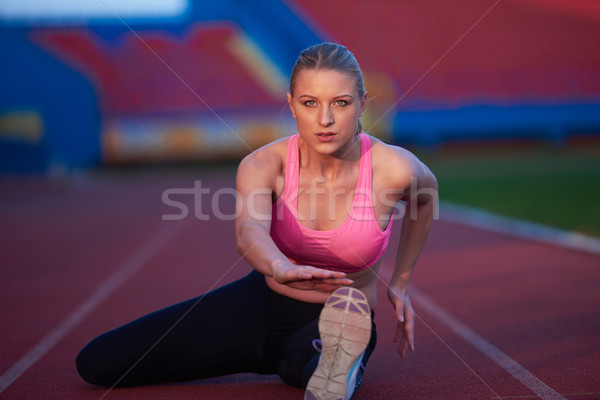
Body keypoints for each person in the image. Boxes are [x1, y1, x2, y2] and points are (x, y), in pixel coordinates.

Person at [76, 42, 437, 400]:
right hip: (260, 304)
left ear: (362, 103)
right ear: (292, 105)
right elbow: (249, 232)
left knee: (318, 363)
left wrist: (400, 281)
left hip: (340, 318)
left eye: (340, 103)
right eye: (310, 103)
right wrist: (278, 265)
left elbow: (425, 201)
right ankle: (323, 364)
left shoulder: (394, 169)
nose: (325, 120)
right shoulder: (265, 165)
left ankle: (336, 365)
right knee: (99, 362)